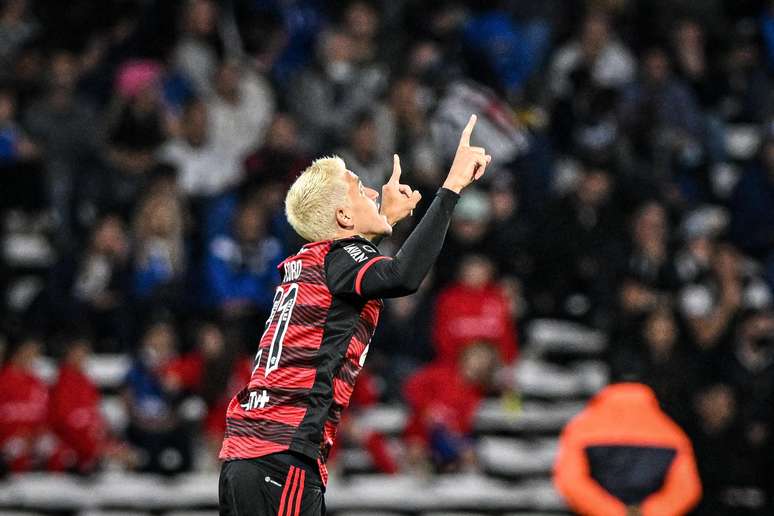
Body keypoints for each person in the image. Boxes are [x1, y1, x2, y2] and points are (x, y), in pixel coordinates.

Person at [218, 115, 491, 515]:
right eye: (358, 189)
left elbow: (351, 273)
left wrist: (385, 224)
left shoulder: (307, 261)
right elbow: (403, 274)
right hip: (285, 456)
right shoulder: (340, 257)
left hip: (244, 459)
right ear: (343, 219)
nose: (371, 190)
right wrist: (450, 188)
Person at [553, 382, 702, 516]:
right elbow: (686, 489)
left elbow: (571, 481)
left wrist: (613, 512)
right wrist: (647, 512)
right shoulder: (672, 433)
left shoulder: (581, 428)